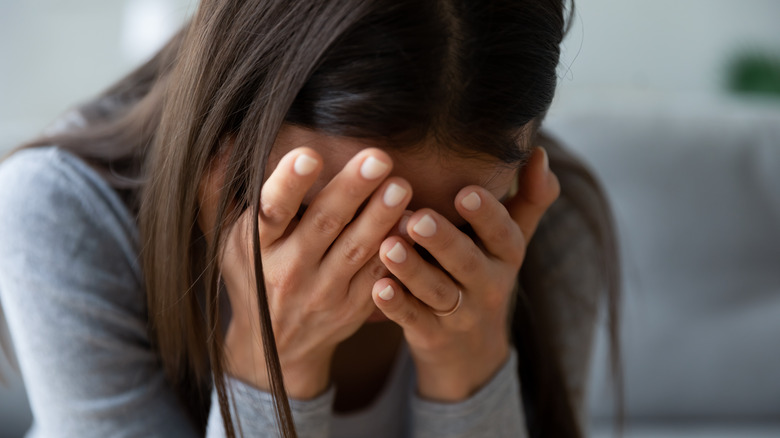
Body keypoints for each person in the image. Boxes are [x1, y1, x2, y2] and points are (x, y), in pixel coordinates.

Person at [0, 0, 620, 437]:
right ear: (227, 125)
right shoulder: (59, 212)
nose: (385, 261)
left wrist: (471, 366)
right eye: (339, 212)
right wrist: (270, 368)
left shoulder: (545, 221)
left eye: (449, 230)